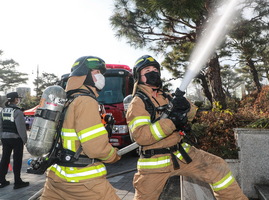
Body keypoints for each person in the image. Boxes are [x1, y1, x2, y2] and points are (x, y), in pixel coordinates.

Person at [126, 55, 249, 200]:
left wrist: (185, 107)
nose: (153, 72)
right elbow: (142, 137)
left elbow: (191, 115)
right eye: (147, 70)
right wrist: (172, 121)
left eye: (155, 69)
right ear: (138, 76)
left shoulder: (167, 96)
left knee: (218, 168)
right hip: (154, 162)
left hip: (181, 153)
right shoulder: (137, 103)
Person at [40, 56, 121, 200]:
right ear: (86, 75)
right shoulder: (85, 101)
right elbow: (95, 148)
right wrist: (113, 155)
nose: (101, 76)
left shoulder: (65, 101)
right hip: (84, 182)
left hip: (56, 179)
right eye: (97, 72)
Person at [0, 92, 29, 189]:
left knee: (4, 159)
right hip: (16, 139)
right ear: (16, 99)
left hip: (5, 138)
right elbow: (21, 128)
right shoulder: (17, 111)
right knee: (17, 160)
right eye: (18, 98)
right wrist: (25, 140)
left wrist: (1, 137)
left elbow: (1, 125)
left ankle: (2, 181)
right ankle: (17, 182)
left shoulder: (3, 110)